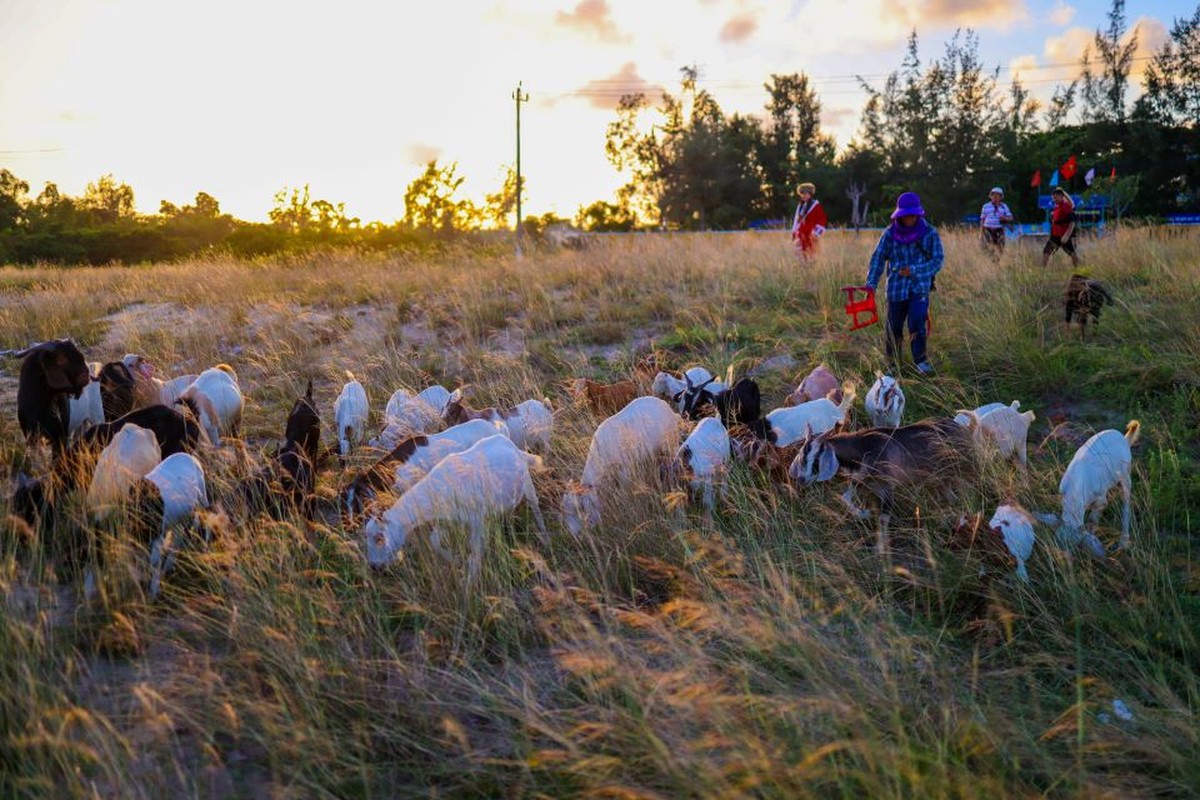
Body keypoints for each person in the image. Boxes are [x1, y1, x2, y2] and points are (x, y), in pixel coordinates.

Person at [865, 192, 944, 376]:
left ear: (918, 214)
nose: (909, 219)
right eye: (905, 215)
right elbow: (877, 259)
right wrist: (871, 284)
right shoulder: (889, 234)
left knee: (917, 322)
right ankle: (892, 364)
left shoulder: (930, 233)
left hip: (919, 288)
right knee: (894, 327)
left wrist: (915, 270)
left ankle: (921, 361)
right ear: (899, 215)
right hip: (895, 290)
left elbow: (937, 260)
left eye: (912, 215)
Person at [1042, 187, 1080, 267]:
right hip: (1055, 237)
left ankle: (1080, 271)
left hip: (1063, 237)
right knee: (1046, 252)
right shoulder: (1057, 207)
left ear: (1061, 196)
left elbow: (1072, 221)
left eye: (1056, 197)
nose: (1054, 199)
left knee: (1073, 255)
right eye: (1053, 198)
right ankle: (1041, 273)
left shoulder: (1066, 206)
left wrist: (1067, 235)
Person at [790, 182, 827, 262]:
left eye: (805, 193)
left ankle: (812, 269)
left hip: (811, 234)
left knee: (812, 254)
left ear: (810, 194)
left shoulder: (816, 206)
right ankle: (803, 270)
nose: (803, 196)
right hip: (801, 234)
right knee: (800, 255)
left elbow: (822, 219)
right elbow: (797, 221)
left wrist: (816, 232)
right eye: (802, 193)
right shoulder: (800, 206)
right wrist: (794, 232)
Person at [979, 186, 1013, 258]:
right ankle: (992, 259)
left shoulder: (1004, 207)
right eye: (993, 195)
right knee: (986, 247)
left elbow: (1011, 218)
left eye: (997, 195)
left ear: (1001, 197)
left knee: (1000, 248)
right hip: (987, 229)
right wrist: (981, 233)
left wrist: (1005, 218)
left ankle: (997, 260)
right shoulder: (986, 206)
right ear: (990, 196)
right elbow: (982, 220)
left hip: (999, 230)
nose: (995, 197)